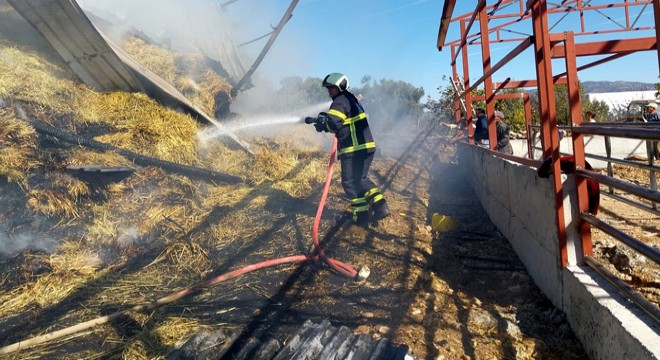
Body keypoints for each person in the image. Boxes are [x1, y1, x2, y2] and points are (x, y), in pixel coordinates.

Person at [309, 73, 389, 226]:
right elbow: (341, 122)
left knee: (350, 182)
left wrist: (323, 126)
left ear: (341, 86)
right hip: (366, 147)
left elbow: (334, 123)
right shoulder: (350, 99)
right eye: (328, 88)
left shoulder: (340, 101)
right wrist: (324, 122)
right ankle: (379, 207)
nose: (329, 91)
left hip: (353, 150)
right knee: (361, 180)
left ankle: (363, 215)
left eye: (332, 87)